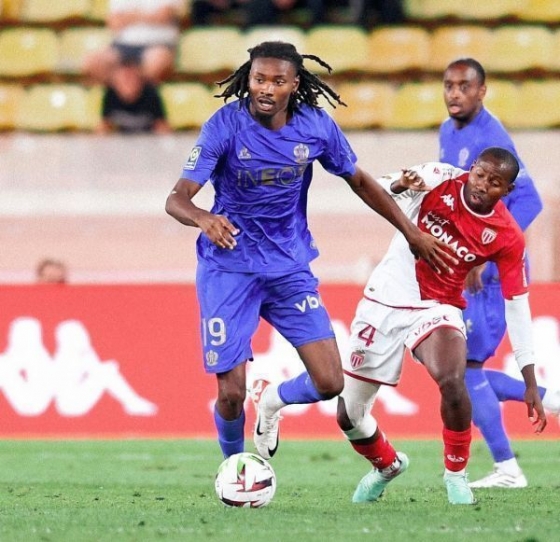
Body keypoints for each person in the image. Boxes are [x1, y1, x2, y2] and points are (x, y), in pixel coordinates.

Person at [165, 41, 455, 461]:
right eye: (259, 79)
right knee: (230, 393)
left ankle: (272, 399)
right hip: (229, 267)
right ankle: (234, 468)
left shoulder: (315, 126)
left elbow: (360, 181)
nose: (266, 88)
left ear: (294, 84)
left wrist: (411, 232)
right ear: (248, 80)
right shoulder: (223, 126)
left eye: (277, 81)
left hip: (288, 266)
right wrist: (202, 218)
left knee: (330, 382)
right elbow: (176, 199)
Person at [335, 147, 547, 505]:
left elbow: (517, 306)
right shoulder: (439, 177)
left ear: (507, 191)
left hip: (437, 307)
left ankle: (456, 476)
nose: (482, 185)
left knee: (452, 378)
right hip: (383, 300)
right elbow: (377, 188)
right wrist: (401, 185)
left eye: (495, 182)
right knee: (349, 416)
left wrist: (529, 380)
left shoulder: (507, 236)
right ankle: (387, 465)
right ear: (471, 169)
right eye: (480, 175)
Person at [439, 58, 560, 489]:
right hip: (464, 265)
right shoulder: (447, 131)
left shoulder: (491, 137)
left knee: (465, 369)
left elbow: (529, 201)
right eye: (449, 85)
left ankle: (508, 468)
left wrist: (486, 256)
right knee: (456, 372)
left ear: (482, 91)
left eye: (464, 86)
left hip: (488, 272)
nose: (455, 93)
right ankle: (551, 399)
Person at [82, 0, 183, 85]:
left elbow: (164, 16)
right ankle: (119, 93)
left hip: (158, 44)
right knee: (92, 62)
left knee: (157, 62)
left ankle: (143, 95)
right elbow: (114, 23)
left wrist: (130, 16)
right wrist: (147, 16)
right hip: (121, 45)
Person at [96, 59, 171, 134]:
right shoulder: (110, 95)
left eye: (132, 78)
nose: (128, 83)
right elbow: (104, 126)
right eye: (124, 80)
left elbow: (162, 126)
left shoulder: (151, 94)